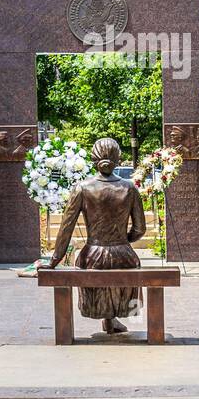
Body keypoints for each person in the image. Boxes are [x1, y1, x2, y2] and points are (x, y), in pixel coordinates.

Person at [49, 137, 144, 334]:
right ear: (118, 159)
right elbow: (139, 229)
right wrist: (124, 241)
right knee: (121, 276)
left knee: (93, 271)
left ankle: (108, 319)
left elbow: (66, 227)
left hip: (92, 254)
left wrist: (54, 260)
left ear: (94, 159)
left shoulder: (82, 188)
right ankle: (112, 319)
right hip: (123, 255)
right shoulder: (130, 188)